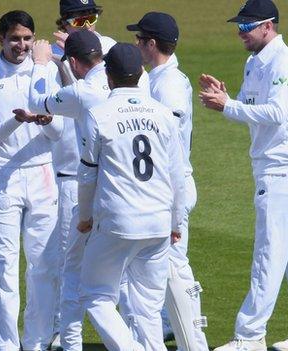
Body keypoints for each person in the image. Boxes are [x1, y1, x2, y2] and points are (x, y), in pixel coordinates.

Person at [199, 1, 288, 350]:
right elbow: (249, 107)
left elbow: (276, 113)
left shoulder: (285, 62)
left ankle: (250, 335)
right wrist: (225, 98)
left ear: (267, 26)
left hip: (284, 167)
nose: (240, 33)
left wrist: (228, 105)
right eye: (238, 27)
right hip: (272, 164)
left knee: (269, 253)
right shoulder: (253, 62)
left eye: (246, 27)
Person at [77, 43, 185, 351]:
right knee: (148, 308)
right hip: (158, 223)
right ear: (140, 74)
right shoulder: (163, 114)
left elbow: (87, 174)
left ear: (108, 77)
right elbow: (176, 173)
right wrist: (176, 220)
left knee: (95, 295)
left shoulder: (99, 115)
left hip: (117, 222)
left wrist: (84, 217)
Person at [0, 10, 63, 351]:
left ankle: (36, 341)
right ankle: (6, 344)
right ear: (0, 39)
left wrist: (42, 120)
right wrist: (20, 120)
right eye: (13, 39)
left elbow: (58, 132)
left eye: (26, 39)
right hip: (3, 174)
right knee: (5, 262)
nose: (20, 45)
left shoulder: (48, 70)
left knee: (43, 264)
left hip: (42, 172)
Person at [126, 12, 208, 351]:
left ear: (152, 43)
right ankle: (164, 331)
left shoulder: (169, 83)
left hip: (170, 187)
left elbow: (167, 140)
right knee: (163, 269)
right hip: (164, 186)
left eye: (139, 39)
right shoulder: (159, 77)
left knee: (175, 268)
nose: (136, 45)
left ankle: (196, 343)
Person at [27, 30, 109, 351]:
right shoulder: (123, 80)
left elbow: (38, 101)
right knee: (124, 277)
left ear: (72, 62)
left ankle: (70, 342)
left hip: (90, 193)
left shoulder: (83, 92)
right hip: (130, 194)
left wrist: (42, 64)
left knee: (73, 272)